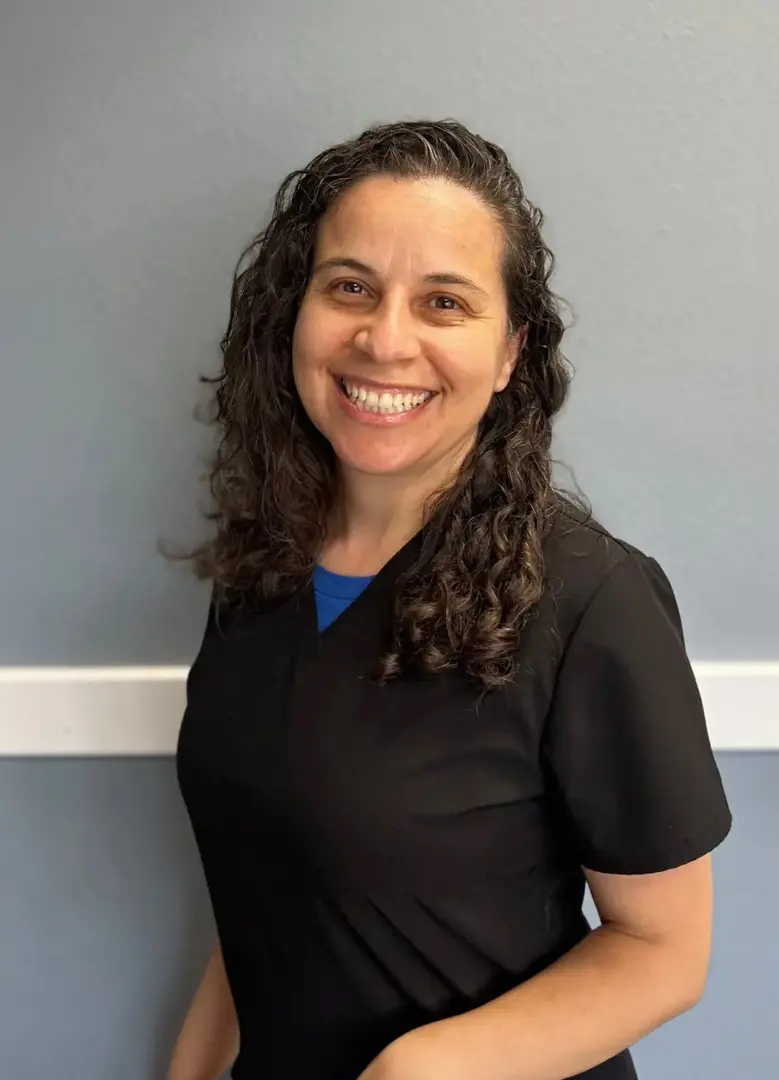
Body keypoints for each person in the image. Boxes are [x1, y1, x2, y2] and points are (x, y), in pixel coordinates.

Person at [167, 118, 732, 1080]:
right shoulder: (259, 571)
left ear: (510, 353)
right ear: (292, 315)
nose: (386, 340)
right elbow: (268, 880)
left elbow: (663, 952)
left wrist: (416, 1071)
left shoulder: (594, 600)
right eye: (350, 286)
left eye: (444, 302)